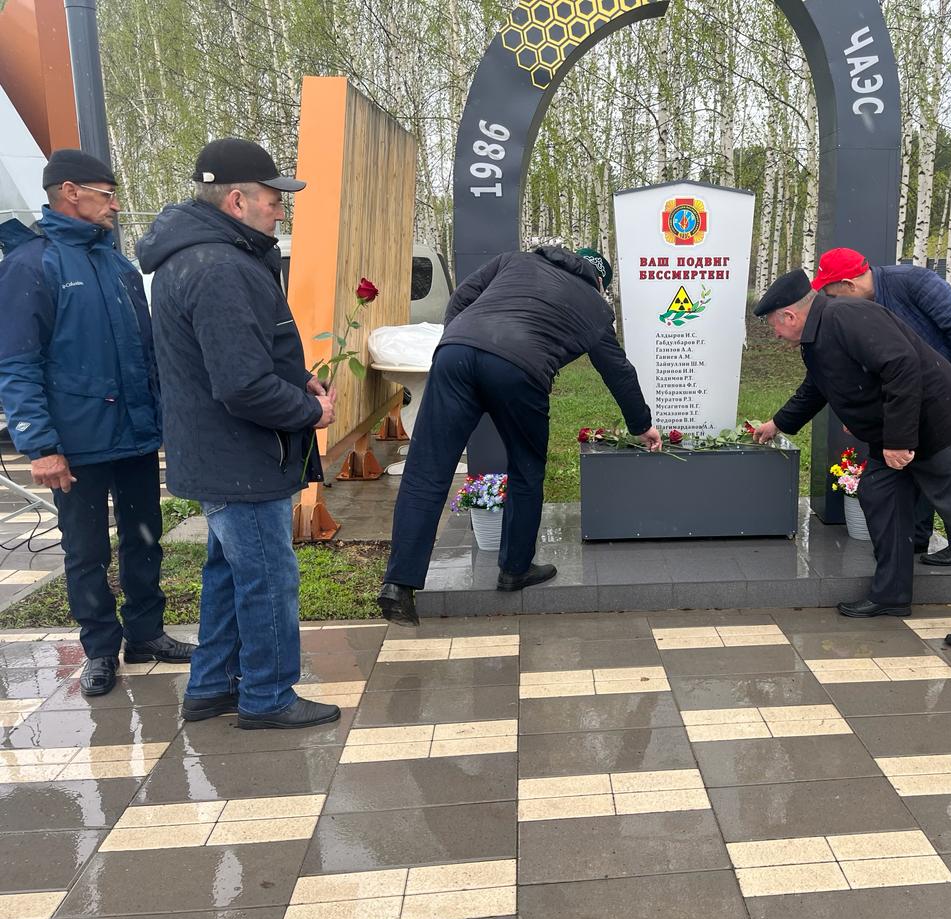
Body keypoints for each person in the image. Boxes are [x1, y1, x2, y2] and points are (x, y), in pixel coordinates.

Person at [136, 138, 339, 730]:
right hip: (240, 455)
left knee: (229, 573)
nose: (281, 209)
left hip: (222, 451)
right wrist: (310, 412)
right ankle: (268, 695)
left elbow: (243, 354)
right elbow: (242, 385)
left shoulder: (205, 256)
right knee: (268, 579)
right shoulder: (219, 267)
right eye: (274, 199)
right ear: (236, 201)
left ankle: (212, 685)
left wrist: (298, 378)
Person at [378, 245, 661, 626]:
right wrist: (641, 425)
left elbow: (462, 297)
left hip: (455, 354)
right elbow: (618, 370)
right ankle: (515, 568)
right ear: (599, 283)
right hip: (520, 369)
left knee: (426, 468)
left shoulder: (517, 259)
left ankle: (398, 586)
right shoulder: (595, 306)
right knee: (526, 469)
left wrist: (457, 338)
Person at [0, 149, 193, 697]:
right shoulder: (31, 265)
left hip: (134, 436)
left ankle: (147, 633)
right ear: (70, 192)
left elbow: (148, 353)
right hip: (75, 445)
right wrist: (40, 446)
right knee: (85, 551)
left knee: (145, 538)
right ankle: (101, 649)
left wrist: (164, 417)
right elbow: (16, 363)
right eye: (106, 195)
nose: (115, 205)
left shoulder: (117, 265)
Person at [752, 269, 951, 648]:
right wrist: (778, 423)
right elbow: (817, 386)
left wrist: (899, 441)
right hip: (894, 434)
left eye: (774, 325)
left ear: (790, 316)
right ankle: (891, 594)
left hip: (939, 428)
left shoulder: (848, 317)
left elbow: (902, 366)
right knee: (879, 494)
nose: (774, 334)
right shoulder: (818, 333)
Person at [811, 248, 951, 567]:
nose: (830, 301)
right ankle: (917, 535)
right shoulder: (861, 309)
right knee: (918, 458)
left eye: (832, 293)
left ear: (849, 285)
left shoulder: (915, 282)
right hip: (920, 391)